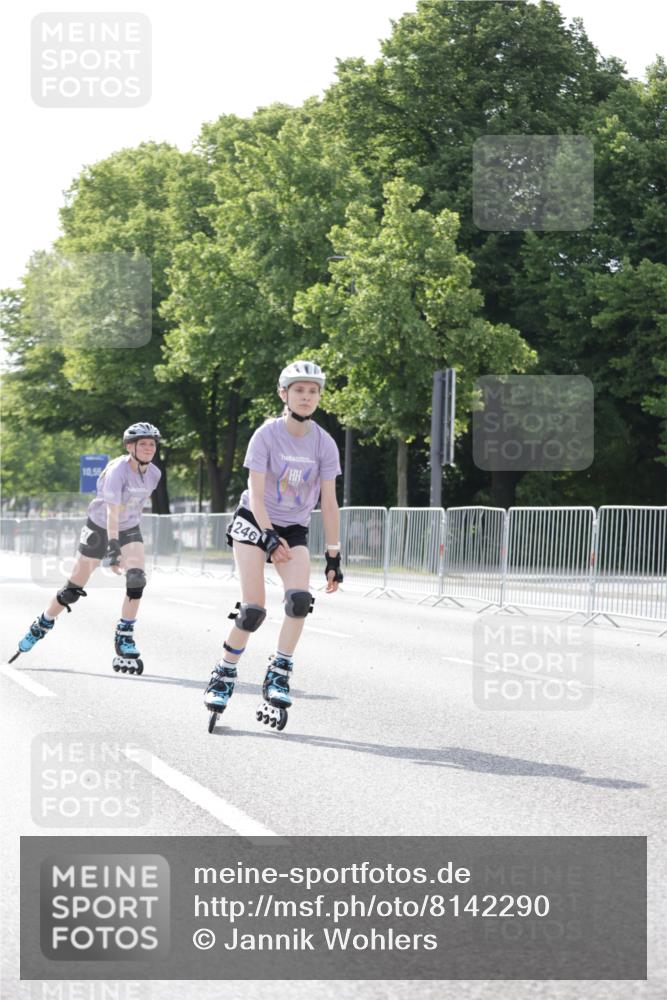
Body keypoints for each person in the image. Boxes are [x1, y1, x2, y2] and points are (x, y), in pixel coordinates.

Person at [204, 360, 344, 730]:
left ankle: (279, 672)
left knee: (299, 600)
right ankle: (224, 671)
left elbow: (328, 502)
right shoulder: (266, 435)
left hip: (294, 526)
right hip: (254, 522)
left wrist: (334, 554)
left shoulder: (324, 443)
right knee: (253, 611)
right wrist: (267, 536)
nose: (306, 397)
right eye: (299, 390)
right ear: (284, 394)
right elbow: (256, 491)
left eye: (313, 391)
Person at [11, 423, 162, 674]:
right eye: (143, 444)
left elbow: (136, 506)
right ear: (129, 446)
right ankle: (44, 621)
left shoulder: (154, 473)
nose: (149, 448)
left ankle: (124, 634)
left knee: (136, 579)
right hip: (100, 526)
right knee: (72, 590)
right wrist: (113, 548)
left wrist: (128, 541)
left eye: (152, 444)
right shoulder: (117, 471)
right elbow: (112, 512)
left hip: (129, 528)